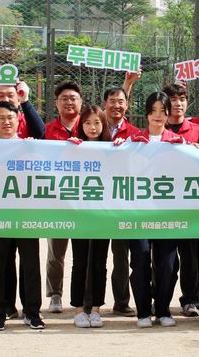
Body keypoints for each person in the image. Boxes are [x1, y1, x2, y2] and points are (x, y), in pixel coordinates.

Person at [117, 91, 185, 328]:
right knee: (140, 261)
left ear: (169, 115)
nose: (158, 116)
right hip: (138, 213)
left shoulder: (178, 143)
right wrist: (117, 147)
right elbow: (117, 165)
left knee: (167, 264)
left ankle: (163, 309)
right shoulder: (133, 141)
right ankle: (143, 311)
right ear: (147, 113)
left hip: (168, 214)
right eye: (154, 111)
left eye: (163, 112)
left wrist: (192, 149)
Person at [0, 81, 45, 320]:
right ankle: (1, 310)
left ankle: (32, 311)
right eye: (1, 118)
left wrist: (26, 100)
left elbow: (42, 133)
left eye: (11, 118)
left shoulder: (30, 143)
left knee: (30, 264)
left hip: (27, 213)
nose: (7, 122)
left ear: (18, 120)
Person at [65, 104, 112, 328]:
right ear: (80, 125)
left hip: (104, 214)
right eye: (87, 123)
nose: (92, 127)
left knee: (100, 262)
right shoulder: (74, 147)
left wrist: (121, 147)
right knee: (80, 261)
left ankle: (95, 309)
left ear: (103, 125)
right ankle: (77, 309)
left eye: (97, 123)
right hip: (80, 214)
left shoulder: (113, 149)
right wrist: (69, 148)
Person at [162, 82, 199, 317]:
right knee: (165, 260)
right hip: (162, 206)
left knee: (191, 257)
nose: (177, 104)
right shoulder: (154, 131)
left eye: (182, 99)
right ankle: (162, 300)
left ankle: (190, 299)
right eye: (173, 99)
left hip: (191, 205)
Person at [43, 81, 83, 314]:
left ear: (81, 102)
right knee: (55, 251)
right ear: (56, 103)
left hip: (85, 198)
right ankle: (55, 294)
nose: (69, 102)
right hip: (56, 198)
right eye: (64, 98)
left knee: (83, 252)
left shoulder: (91, 126)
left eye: (73, 98)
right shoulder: (47, 129)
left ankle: (84, 295)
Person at [103, 86, 139, 317]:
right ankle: (88, 302)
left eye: (121, 101)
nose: (117, 105)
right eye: (112, 101)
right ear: (104, 103)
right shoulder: (93, 128)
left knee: (122, 254)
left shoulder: (135, 133)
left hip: (124, 203)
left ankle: (122, 301)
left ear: (127, 105)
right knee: (91, 256)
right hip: (93, 201)